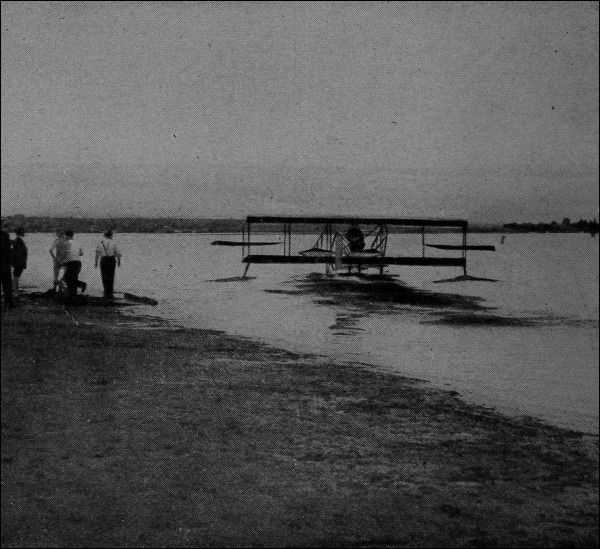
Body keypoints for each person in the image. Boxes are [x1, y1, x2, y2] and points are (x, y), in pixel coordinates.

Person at [95, 230, 121, 298]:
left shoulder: (100, 243)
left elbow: (97, 253)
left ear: (104, 235)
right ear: (111, 235)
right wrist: (119, 261)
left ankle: (105, 291)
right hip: (111, 260)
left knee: (104, 276)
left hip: (103, 260)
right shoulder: (114, 243)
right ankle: (110, 292)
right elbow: (117, 253)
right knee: (111, 276)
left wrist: (96, 262)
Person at [62, 229, 86, 301]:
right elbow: (81, 253)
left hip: (71, 263)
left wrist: (62, 262)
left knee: (66, 278)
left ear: (67, 236)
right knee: (73, 279)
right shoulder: (77, 243)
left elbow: (64, 254)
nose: (64, 237)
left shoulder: (66, 243)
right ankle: (73, 295)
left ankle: (82, 285)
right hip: (78, 263)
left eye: (65, 236)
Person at [1, 221, 15, 309]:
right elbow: (8, 250)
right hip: (4, 263)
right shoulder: (5, 235)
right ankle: (9, 303)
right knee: (7, 284)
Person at [11, 226, 28, 296]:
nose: (25, 233)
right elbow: (17, 253)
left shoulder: (18, 240)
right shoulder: (19, 241)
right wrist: (21, 262)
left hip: (18, 262)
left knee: (16, 276)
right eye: (24, 231)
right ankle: (15, 292)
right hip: (19, 262)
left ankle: (14, 290)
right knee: (16, 276)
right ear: (21, 232)